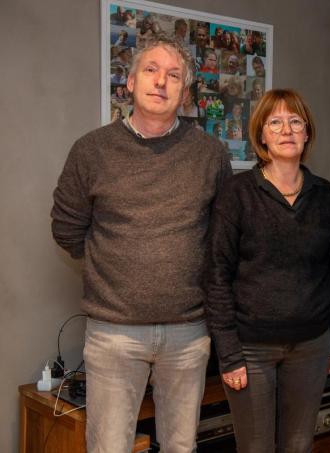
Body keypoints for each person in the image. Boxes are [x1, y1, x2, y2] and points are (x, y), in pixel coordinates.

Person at [51, 36, 232, 453]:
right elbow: (67, 229)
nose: (160, 82)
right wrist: (115, 266)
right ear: (130, 82)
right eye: (151, 70)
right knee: (109, 447)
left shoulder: (211, 154)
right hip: (113, 334)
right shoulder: (91, 150)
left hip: (188, 334)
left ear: (184, 93)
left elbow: (221, 235)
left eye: (173, 76)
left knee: (180, 447)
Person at [205, 88, 330, 453]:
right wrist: (229, 353)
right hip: (251, 350)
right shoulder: (237, 194)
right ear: (262, 134)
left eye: (295, 121)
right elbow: (217, 274)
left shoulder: (325, 196)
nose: (287, 130)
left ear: (307, 132)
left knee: (299, 445)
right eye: (276, 122)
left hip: (312, 346)